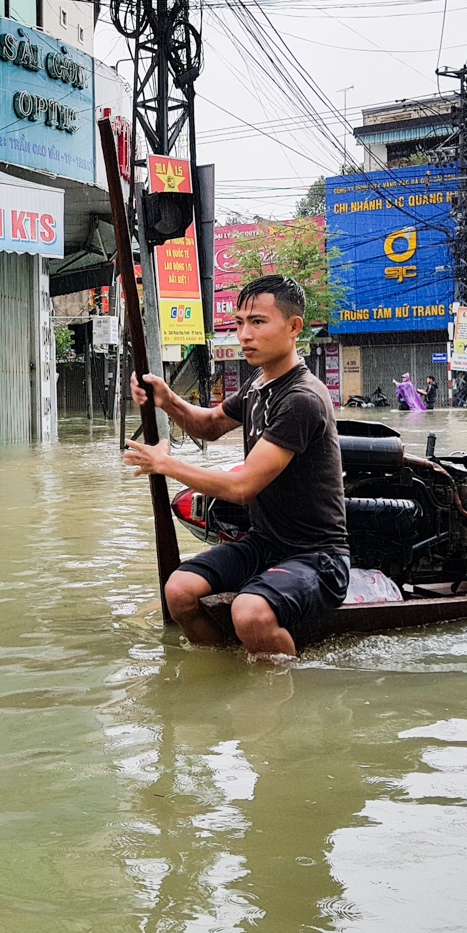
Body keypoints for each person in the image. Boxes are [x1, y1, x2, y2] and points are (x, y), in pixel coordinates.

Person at [123, 275, 349, 658]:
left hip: (317, 557)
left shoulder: (301, 398)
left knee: (251, 613)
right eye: (240, 323)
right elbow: (209, 426)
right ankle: (227, 672)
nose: (244, 334)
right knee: (178, 592)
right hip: (264, 543)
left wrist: (165, 463)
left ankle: (281, 693)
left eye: (258, 322)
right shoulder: (259, 384)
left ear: (294, 328)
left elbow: (242, 487)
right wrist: (167, 399)